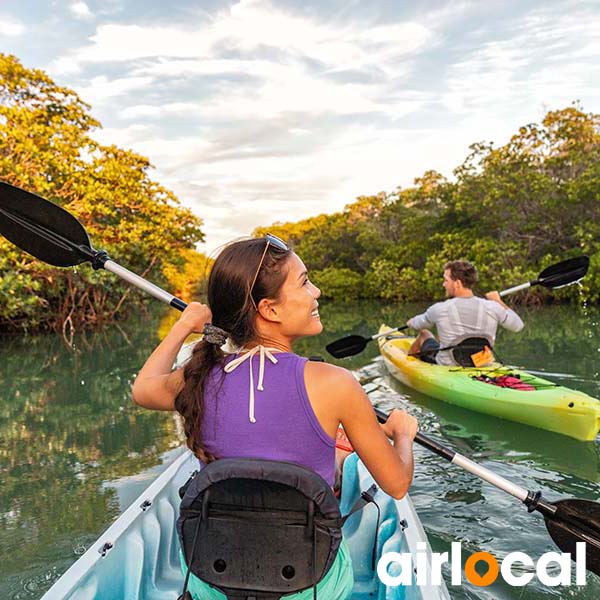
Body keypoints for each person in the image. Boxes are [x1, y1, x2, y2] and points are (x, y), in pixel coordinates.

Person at [131, 234, 418, 600]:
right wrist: (403, 434)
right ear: (270, 309)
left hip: (214, 583)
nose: (315, 292)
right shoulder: (335, 383)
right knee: (341, 461)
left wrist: (185, 325)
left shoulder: (198, 377)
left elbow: (143, 388)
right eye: (304, 282)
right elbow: (396, 485)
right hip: (309, 587)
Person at [407, 260, 524, 366]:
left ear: (457, 283)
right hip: (482, 364)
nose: (444, 284)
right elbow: (518, 326)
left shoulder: (439, 309)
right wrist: (498, 301)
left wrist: (411, 322)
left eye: (446, 280)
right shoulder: (492, 306)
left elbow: (417, 324)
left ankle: (407, 364)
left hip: (448, 365)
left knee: (424, 334)